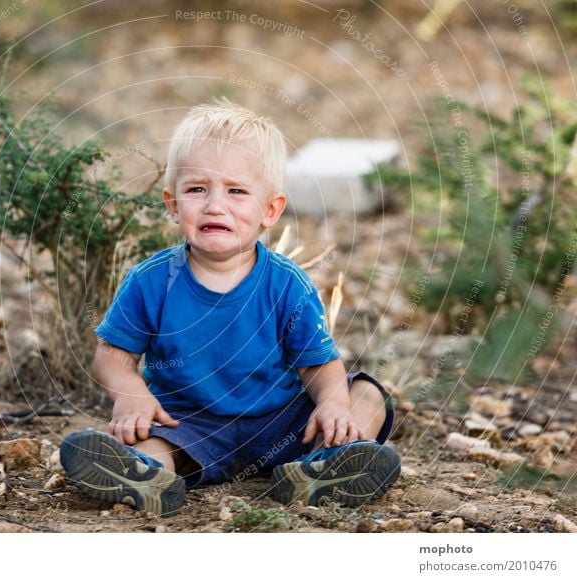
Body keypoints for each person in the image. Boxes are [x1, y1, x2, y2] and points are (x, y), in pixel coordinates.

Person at [60, 98, 400, 516]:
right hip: (190, 423)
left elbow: (317, 363)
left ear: (270, 210)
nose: (214, 204)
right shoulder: (151, 282)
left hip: (284, 424)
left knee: (367, 394)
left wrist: (331, 401)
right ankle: (146, 475)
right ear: (173, 204)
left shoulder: (285, 284)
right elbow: (113, 355)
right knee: (153, 439)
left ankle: (322, 469)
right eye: (197, 189)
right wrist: (130, 394)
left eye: (236, 191)